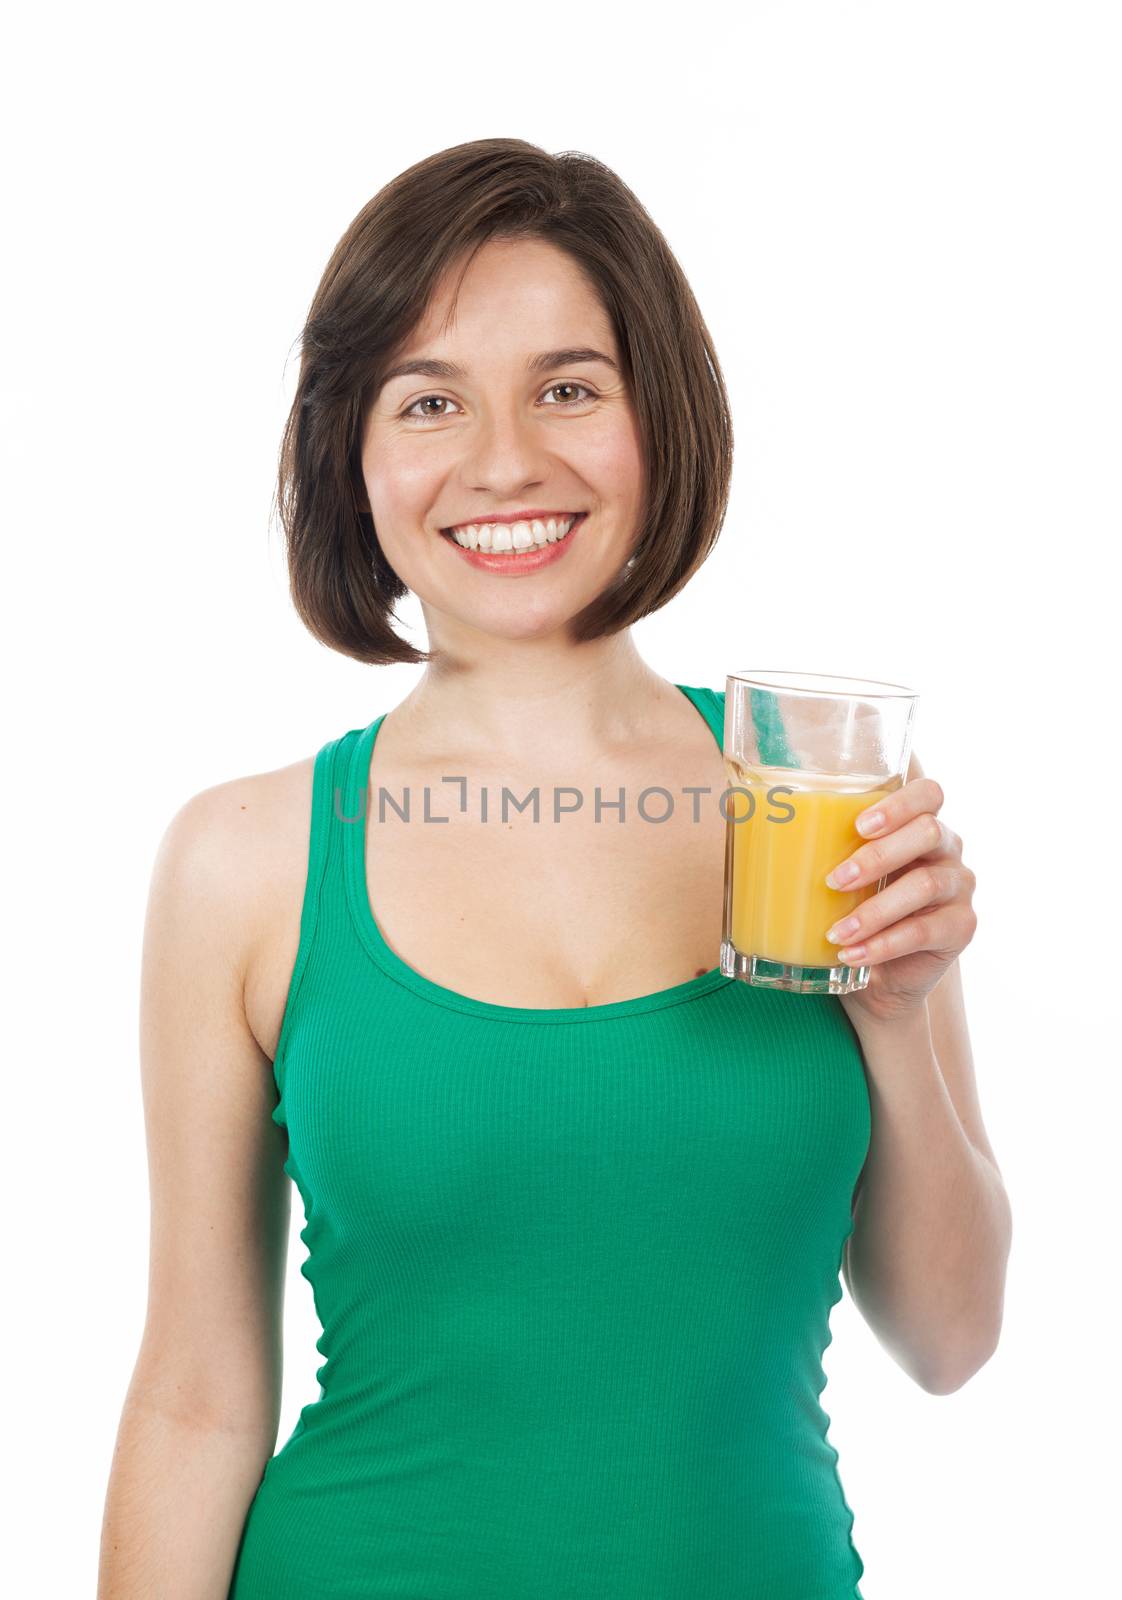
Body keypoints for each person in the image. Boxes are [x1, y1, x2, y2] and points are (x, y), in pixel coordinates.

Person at [97, 138, 1012, 1600]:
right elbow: (197, 1398)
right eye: (429, 401)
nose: (505, 459)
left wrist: (898, 1014)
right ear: (356, 454)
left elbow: (950, 1343)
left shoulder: (823, 811)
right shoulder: (244, 863)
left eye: (569, 388)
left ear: (664, 417)